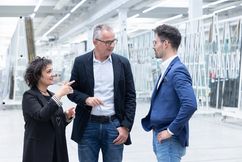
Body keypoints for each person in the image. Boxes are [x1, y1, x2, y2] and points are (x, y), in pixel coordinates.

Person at [67, 24, 136, 162]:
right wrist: (86, 99)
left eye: (113, 41)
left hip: (114, 126)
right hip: (87, 126)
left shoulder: (122, 63)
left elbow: (130, 96)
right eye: (107, 42)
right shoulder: (81, 62)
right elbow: (71, 91)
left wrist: (126, 127)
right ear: (95, 42)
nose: (111, 45)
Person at [141, 24, 197, 162]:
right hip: (160, 134)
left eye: (155, 42)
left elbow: (190, 104)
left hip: (170, 138)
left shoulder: (177, 70)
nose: (154, 46)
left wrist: (171, 130)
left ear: (165, 44)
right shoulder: (168, 68)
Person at [22, 56, 75, 162]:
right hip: (39, 150)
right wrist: (60, 93)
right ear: (38, 75)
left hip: (57, 148)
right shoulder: (29, 96)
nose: (53, 74)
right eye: (49, 71)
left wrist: (66, 117)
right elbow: (42, 116)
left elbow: (55, 122)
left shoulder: (52, 95)